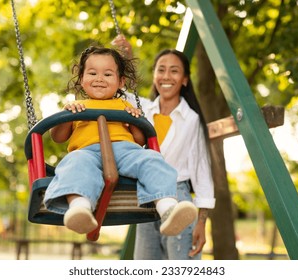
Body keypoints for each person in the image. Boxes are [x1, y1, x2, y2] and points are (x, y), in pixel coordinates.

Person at [43, 46, 198, 237]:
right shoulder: (77, 107)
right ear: (81, 79)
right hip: (86, 153)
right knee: (74, 164)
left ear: (120, 81)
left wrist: (135, 120)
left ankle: (168, 208)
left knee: (151, 159)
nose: (99, 78)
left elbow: (140, 140)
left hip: (125, 151)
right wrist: (66, 115)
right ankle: (80, 209)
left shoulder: (125, 105)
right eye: (92, 73)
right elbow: (58, 137)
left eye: (107, 74)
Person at [112, 35, 216, 260]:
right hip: (146, 199)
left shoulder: (191, 120)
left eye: (174, 71)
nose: (166, 76)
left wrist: (202, 221)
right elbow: (118, 92)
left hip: (177, 198)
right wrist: (125, 58)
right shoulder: (144, 110)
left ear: (185, 80)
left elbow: (202, 171)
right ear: (154, 76)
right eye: (161, 70)